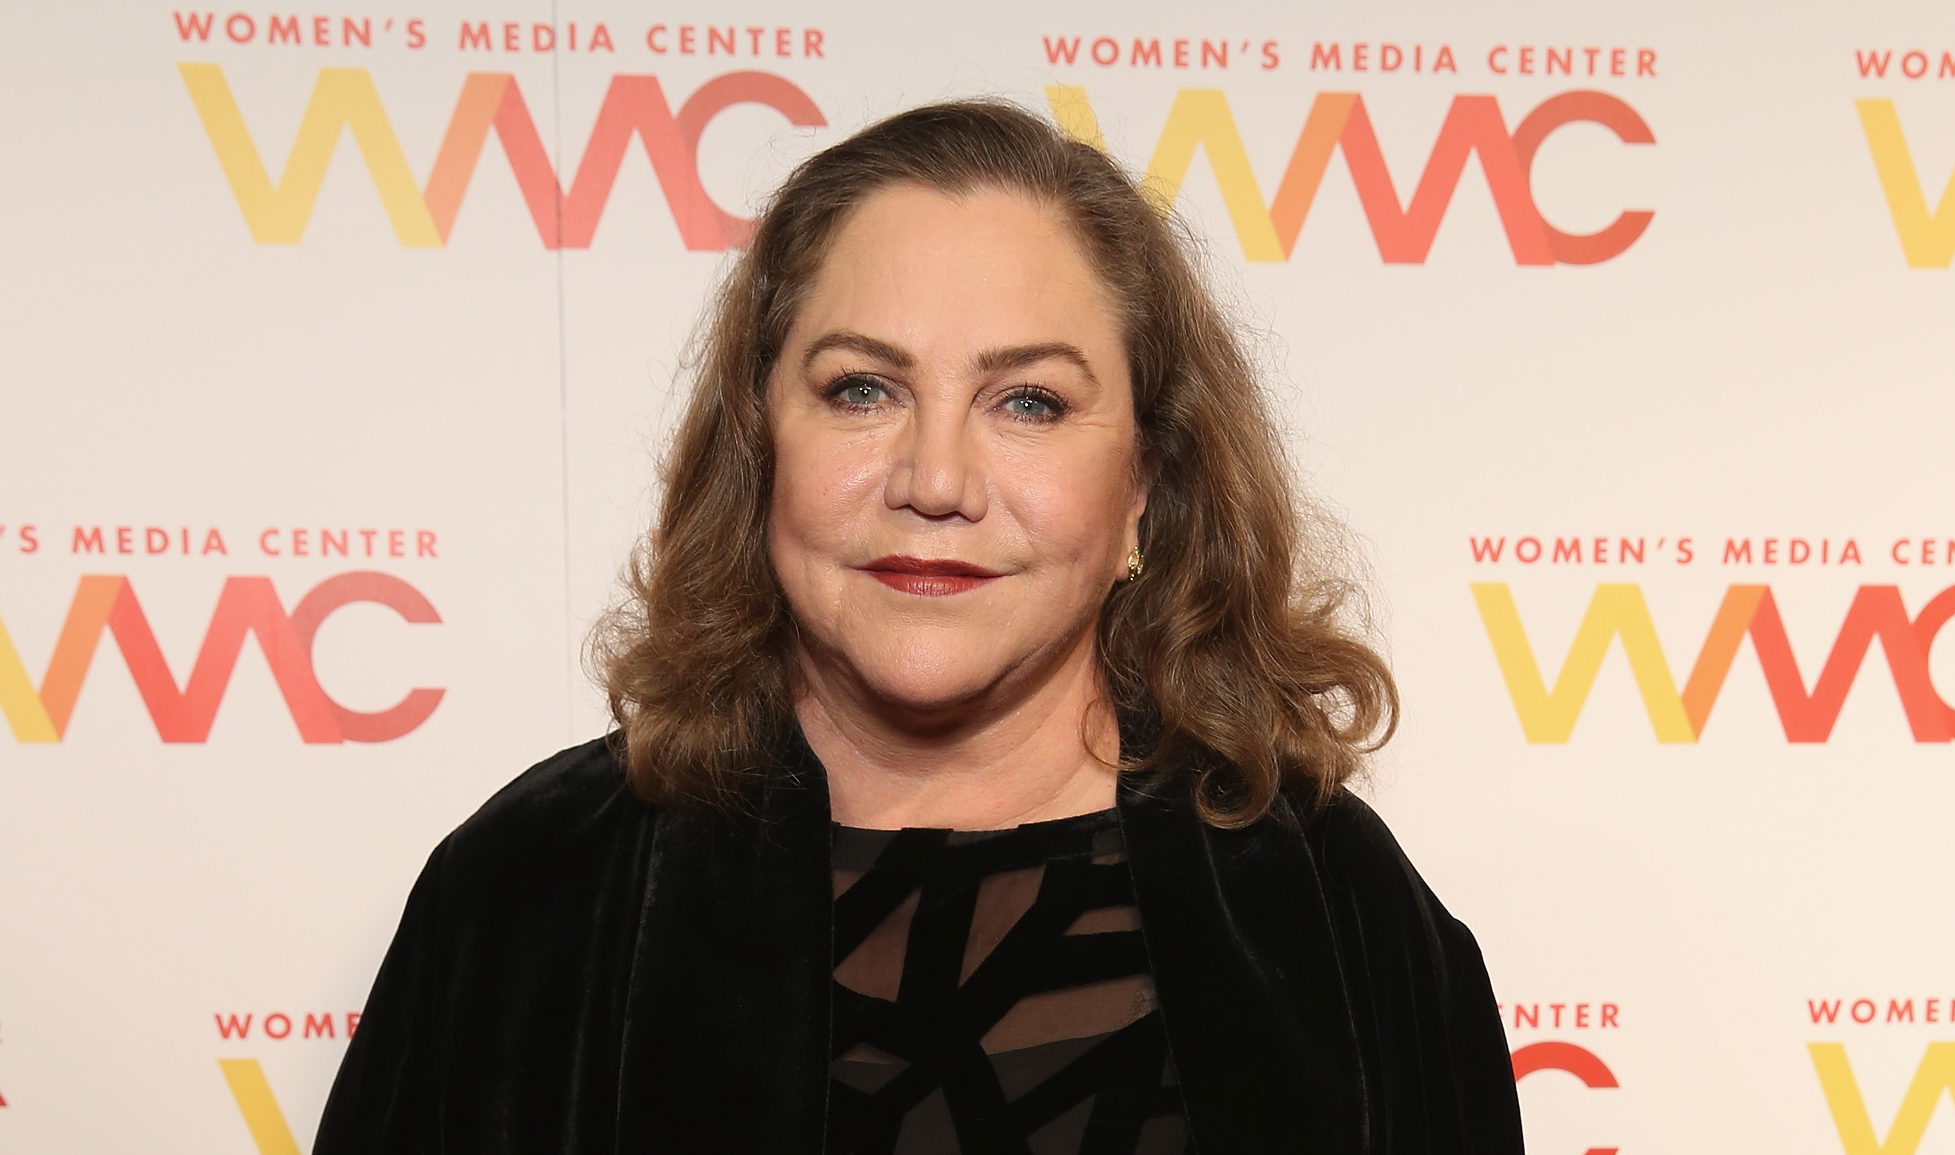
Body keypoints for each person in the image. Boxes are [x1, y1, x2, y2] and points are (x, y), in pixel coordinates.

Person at [314, 100, 1524, 1154]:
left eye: (1028, 402)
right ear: (759, 446)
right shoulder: (535, 893)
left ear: (1143, 487)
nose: (934, 480)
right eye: (862, 389)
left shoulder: (1331, 908)